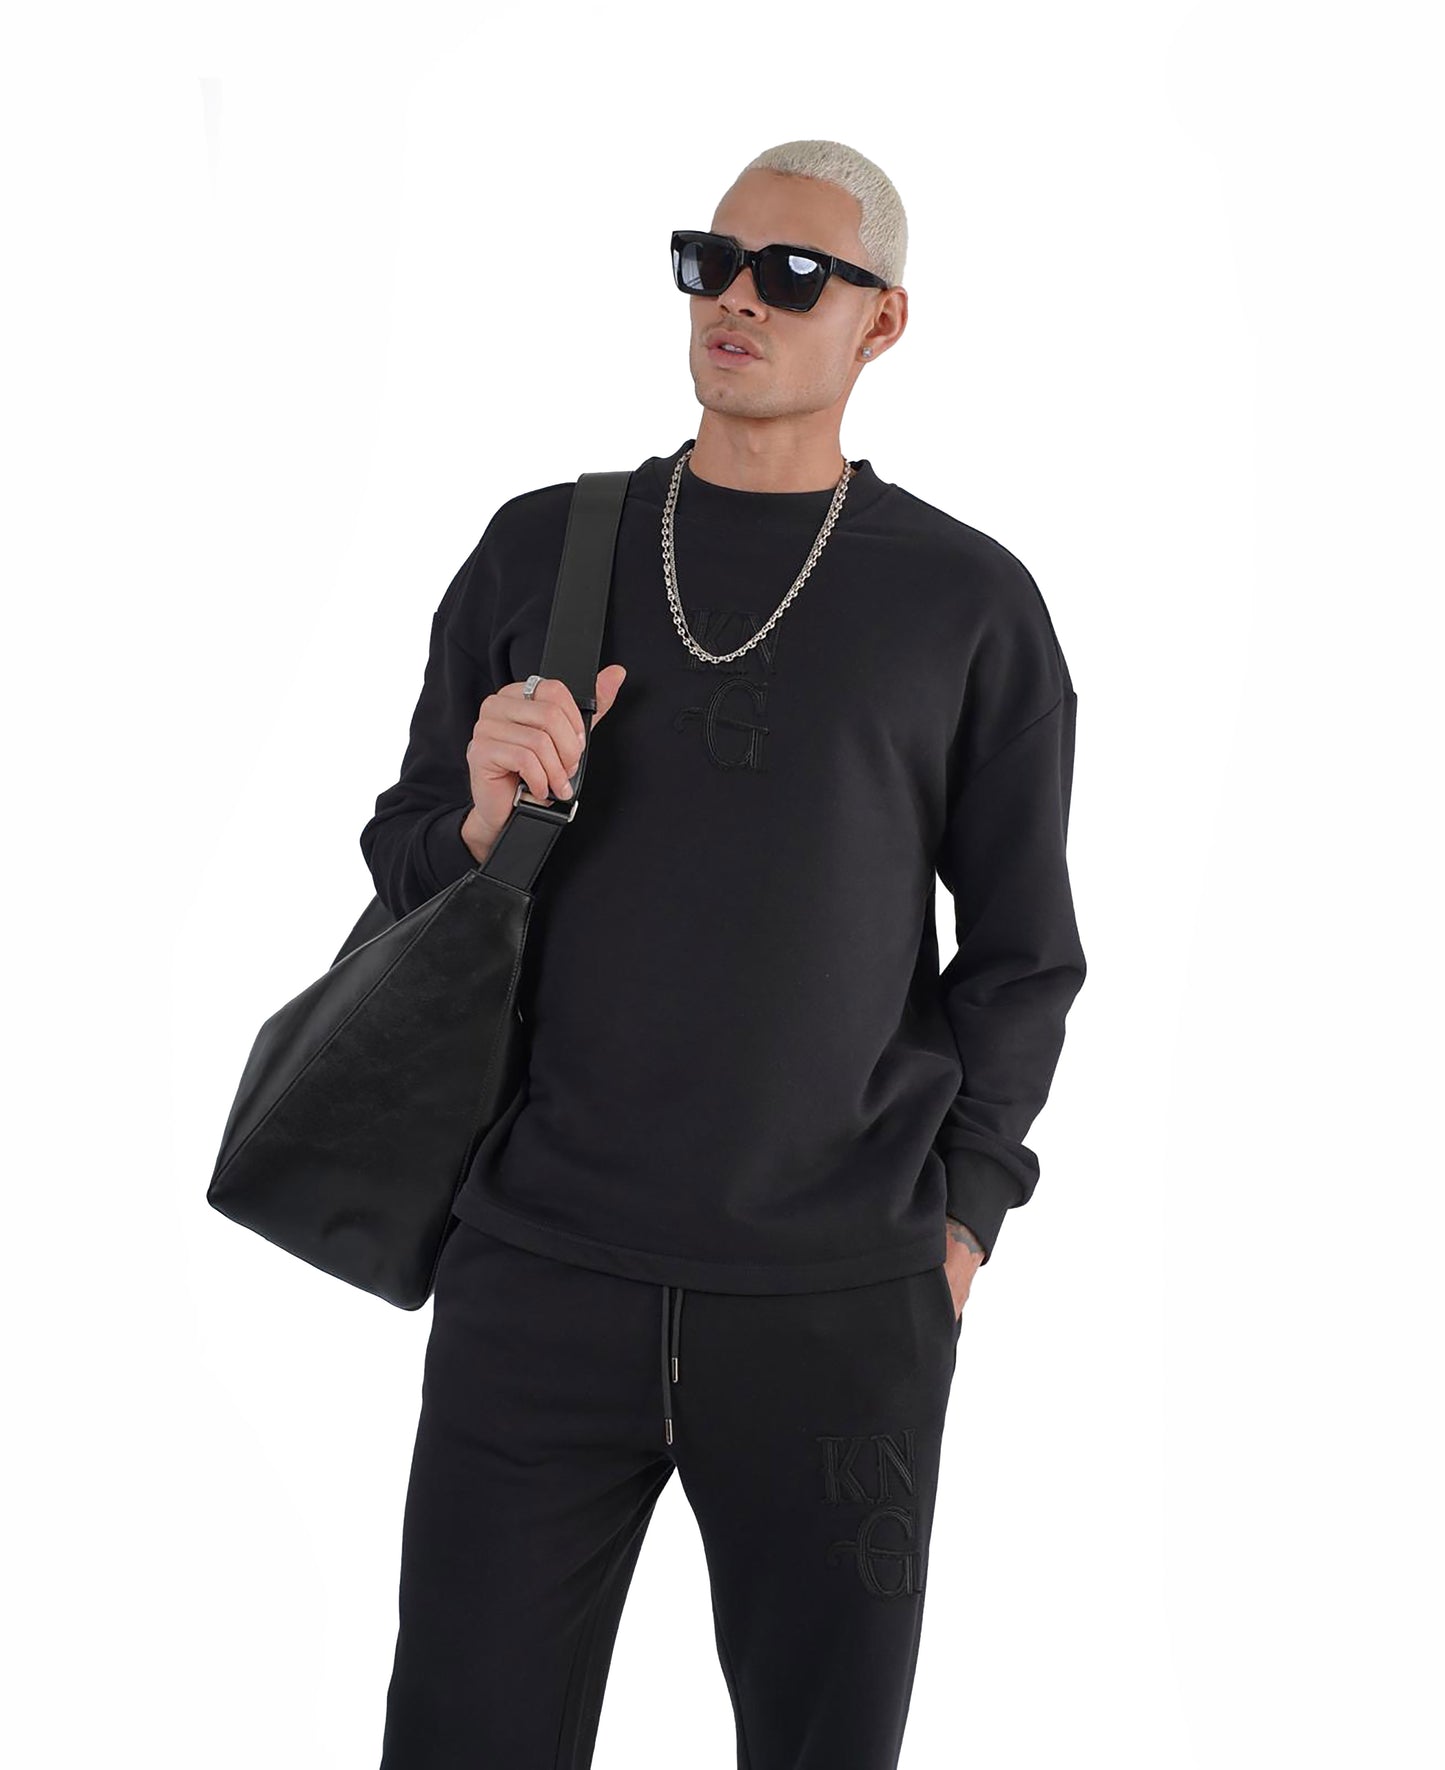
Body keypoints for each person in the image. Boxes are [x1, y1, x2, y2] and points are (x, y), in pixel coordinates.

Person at [360, 137, 1087, 1770]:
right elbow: (403, 866)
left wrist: (959, 1220)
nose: (739, 299)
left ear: (881, 320)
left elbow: (1022, 950)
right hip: (537, 1269)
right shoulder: (541, 549)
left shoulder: (966, 602)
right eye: (712, 260)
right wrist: (478, 819)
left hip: (836, 1299)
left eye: (793, 273)